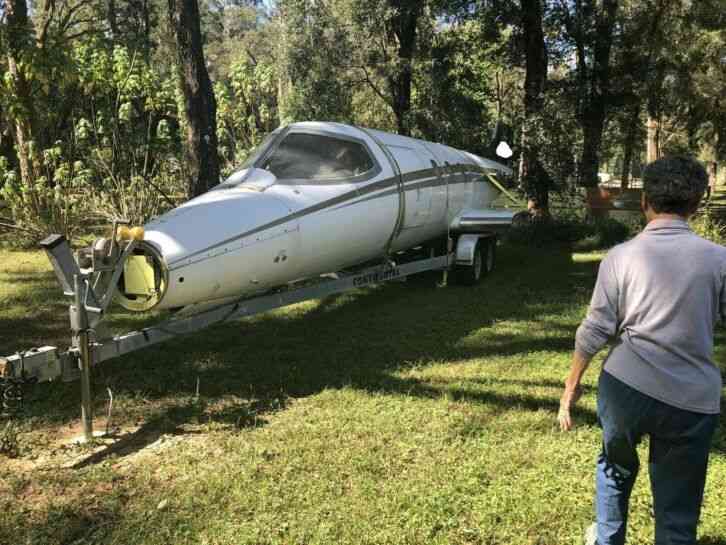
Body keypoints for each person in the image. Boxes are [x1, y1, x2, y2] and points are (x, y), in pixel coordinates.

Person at [557, 156, 725, 545]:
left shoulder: (620, 257)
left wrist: (571, 389)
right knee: (678, 506)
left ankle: (607, 538)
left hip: (625, 389)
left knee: (615, 469)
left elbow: (595, 328)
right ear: (697, 204)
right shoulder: (720, 261)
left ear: (645, 201)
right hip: (692, 400)